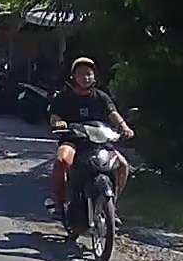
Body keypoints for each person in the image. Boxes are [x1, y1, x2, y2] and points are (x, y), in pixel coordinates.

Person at [45, 57, 134, 222]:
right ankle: (59, 204)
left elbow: (113, 114)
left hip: (99, 142)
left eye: (89, 74)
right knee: (61, 161)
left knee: (122, 165)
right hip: (73, 140)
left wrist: (124, 127)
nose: (85, 77)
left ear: (94, 76)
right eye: (81, 74)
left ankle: (111, 205)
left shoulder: (101, 96)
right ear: (73, 76)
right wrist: (58, 123)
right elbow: (54, 117)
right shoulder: (64, 97)